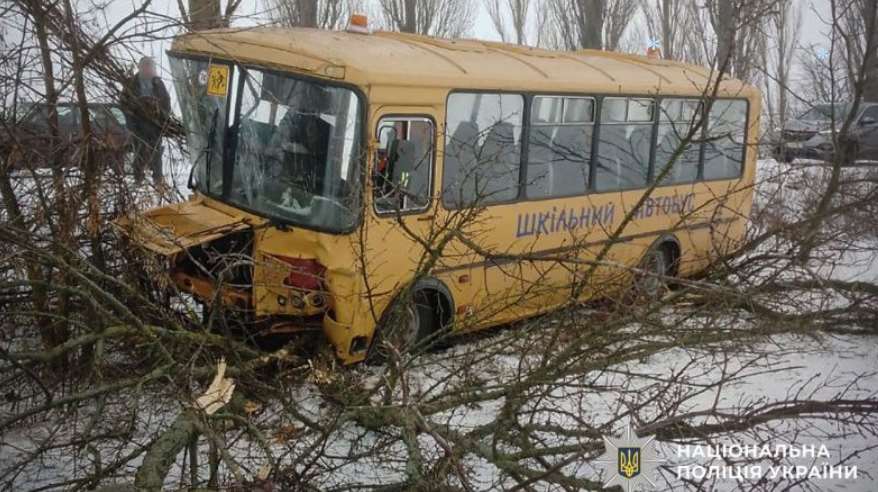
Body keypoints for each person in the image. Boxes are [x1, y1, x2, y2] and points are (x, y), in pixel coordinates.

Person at [121, 56, 170, 184]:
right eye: (145, 66)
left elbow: (166, 102)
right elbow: (124, 104)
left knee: (156, 153)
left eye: (150, 66)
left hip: (155, 125)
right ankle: (138, 179)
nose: (148, 69)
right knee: (139, 151)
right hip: (138, 124)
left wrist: (163, 120)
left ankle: (158, 179)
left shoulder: (158, 83)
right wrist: (131, 124)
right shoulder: (131, 83)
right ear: (140, 67)